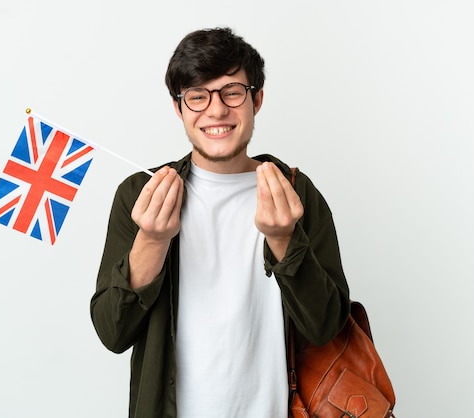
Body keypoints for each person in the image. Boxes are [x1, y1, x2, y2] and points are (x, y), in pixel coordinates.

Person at [90, 27, 350, 418]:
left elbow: (326, 327)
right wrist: (152, 239)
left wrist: (283, 239)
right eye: (197, 96)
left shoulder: (295, 192)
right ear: (179, 108)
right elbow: (113, 332)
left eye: (232, 92)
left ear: (256, 99)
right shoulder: (140, 194)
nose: (216, 111)